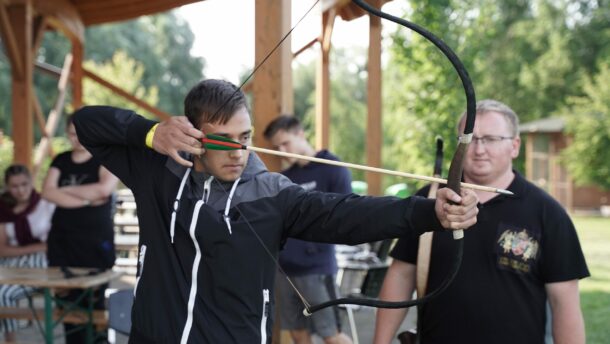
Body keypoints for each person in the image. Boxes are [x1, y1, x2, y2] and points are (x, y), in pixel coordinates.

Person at [71, 79, 478, 343]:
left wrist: (430, 213)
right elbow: (86, 122)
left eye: (244, 136)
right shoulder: (158, 171)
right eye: (224, 139)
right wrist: (150, 131)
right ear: (195, 138)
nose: (239, 150)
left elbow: (346, 215)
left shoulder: (271, 193)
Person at [373, 99, 589, 344]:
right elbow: (401, 275)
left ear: (515, 146)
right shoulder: (430, 201)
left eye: (491, 139)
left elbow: (565, 304)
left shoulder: (548, 213)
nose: (479, 149)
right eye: (470, 139)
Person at [264, 115, 353, 344]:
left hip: (317, 269)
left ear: (300, 134)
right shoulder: (286, 178)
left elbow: (345, 217)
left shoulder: (333, 169)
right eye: (277, 147)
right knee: (297, 333)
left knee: (332, 335)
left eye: (285, 143)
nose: (282, 151)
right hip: (284, 271)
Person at [41, 115, 119, 344]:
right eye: (72, 134)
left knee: (93, 302)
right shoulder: (61, 160)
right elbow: (47, 192)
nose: (77, 139)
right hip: (63, 241)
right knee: (66, 302)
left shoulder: (105, 157)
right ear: (67, 134)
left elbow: (104, 190)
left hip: (95, 242)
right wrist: (86, 198)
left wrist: (65, 192)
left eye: (81, 134)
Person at [0, 165, 55, 343]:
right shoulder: (3, 209)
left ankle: (10, 340)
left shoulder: (46, 204)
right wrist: (37, 246)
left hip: (40, 263)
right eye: (15, 186)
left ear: (32, 182)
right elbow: (2, 249)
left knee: (3, 294)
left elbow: (53, 244)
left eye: (24, 184)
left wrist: (20, 250)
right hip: (9, 261)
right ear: (7, 187)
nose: (21, 190)